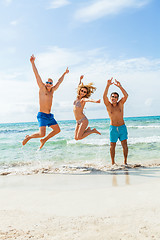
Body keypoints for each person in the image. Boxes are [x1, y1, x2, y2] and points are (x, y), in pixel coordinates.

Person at [22, 54, 69, 149]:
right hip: (42, 115)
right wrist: (32, 63)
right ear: (45, 83)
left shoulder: (52, 90)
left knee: (57, 130)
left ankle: (44, 140)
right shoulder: (42, 88)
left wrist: (64, 73)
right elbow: (37, 75)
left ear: (52, 85)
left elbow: (59, 82)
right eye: (47, 82)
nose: (48, 84)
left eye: (50, 83)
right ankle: (29, 137)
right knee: (41, 133)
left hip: (49, 116)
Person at [103, 77, 128, 165]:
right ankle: (113, 163)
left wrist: (120, 86)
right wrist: (107, 85)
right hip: (113, 128)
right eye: (112, 96)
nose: (114, 98)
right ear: (110, 97)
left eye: (116, 97)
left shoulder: (120, 104)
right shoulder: (108, 105)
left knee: (124, 144)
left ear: (117, 98)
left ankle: (125, 162)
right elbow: (104, 96)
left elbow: (126, 95)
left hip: (122, 127)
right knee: (112, 145)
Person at [73, 75, 101, 140]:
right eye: (82, 90)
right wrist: (80, 80)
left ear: (86, 94)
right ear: (80, 90)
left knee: (79, 137)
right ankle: (88, 130)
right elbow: (79, 86)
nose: (83, 92)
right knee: (76, 138)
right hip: (78, 121)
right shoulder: (77, 98)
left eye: (84, 92)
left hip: (83, 120)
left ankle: (92, 131)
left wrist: (96, 101)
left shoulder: (83, 99)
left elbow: (89, 100)